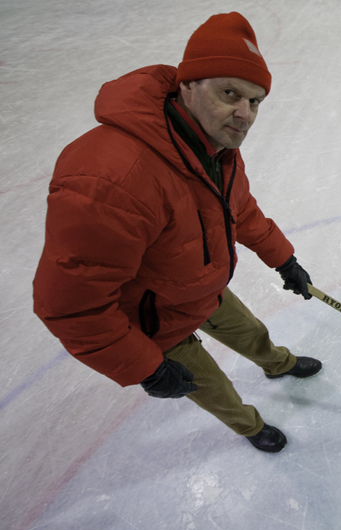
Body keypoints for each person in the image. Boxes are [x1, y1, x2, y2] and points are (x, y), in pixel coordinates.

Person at [32, 12, 319, 453]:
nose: (244, 114)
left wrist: (283, 257)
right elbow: (70, 306)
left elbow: (239, 210)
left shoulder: (214, 146)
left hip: (201, 284)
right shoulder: (109, 179)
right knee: (214, 388)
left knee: (251, 331)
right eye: (230, 93)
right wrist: (144, 365)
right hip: (155, 323)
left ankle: (276, 364)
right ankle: (249, 426)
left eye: (255, 101)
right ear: (187, 84)